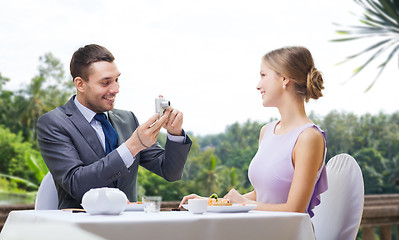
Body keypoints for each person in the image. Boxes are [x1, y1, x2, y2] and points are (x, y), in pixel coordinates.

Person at [37, 44, 192, 209]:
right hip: (82, 228)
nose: (116, 89)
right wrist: (133, 146)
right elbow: (76, 184)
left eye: (117, 80)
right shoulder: (53, 123)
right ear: (80, 84)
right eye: (106, 83)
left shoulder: (127, 119)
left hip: (128, 227)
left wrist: (175, 134)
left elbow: (170, 172)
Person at [180, 46, 327, 217]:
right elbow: (263, 195)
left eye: (263, 75)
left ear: (284, 78)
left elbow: (294, 209)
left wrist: (242, 203)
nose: (258, 85)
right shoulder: (267, 131)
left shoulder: (309, 137)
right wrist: (211, 202)